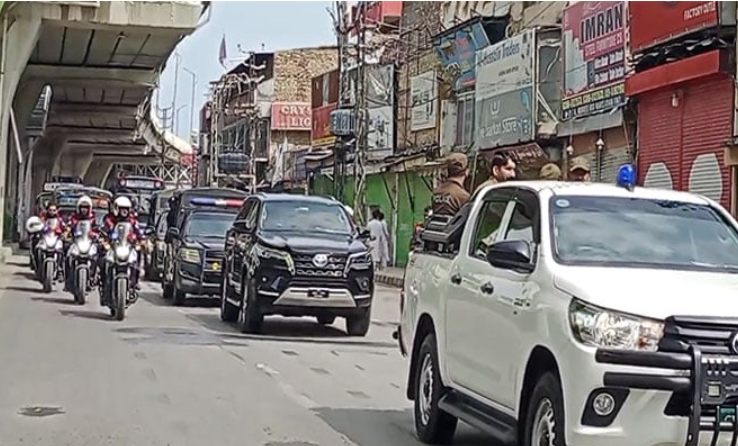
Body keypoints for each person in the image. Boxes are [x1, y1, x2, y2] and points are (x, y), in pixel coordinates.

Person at [64, 196, 99, 291]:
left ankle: (93, 277)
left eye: (86, 207)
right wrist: (67, 234)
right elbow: (68, 227)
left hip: (88, 243)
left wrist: (97, 235)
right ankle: (67, 279)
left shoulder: (93, 218)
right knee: (68, 256)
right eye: (82, 207)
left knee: (97, 257)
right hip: (77, 243)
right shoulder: (74, 217)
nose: (84, 210)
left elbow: (97, 229)